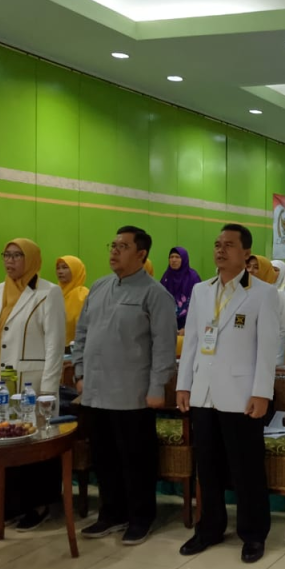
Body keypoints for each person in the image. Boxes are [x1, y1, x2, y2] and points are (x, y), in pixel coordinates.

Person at [177, 224, 279, 564]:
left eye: (229, 245)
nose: (221, 250)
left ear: (246, 253)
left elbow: (268, 349)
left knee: (246, 468)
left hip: (241, 394)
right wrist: (184, 386)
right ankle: (210, 527)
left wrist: (262, 392)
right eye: (217, 244)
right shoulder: (201, 291)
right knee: (207, 466)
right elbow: (191, 341)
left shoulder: (264, 293)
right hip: (204, 393)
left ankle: (253, 533)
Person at [73, 226, 177, 545]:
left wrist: (158, 386)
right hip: (95, 390)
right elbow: (82, 334)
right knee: (103, 457)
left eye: (123, 246)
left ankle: (140, 517)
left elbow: (164, 346)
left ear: (142, 254)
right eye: (113, 244)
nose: (114, 251)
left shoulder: (155, 294)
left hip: (133, 394)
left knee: (136, 459)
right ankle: (111, 514)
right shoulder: (99, 287)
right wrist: (79, 372)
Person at [0, 239, 66, 530]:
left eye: (17, 255)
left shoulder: (48, 292)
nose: (10, 261)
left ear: (31, 259)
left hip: (33, 384)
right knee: (3, 443)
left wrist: (49, 389)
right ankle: (7, 505)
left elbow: (55, 343)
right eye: (7, 255)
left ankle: (38, 505)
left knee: (33, 445)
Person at [160, 246, 201, 331]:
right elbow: (160, 301)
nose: (173, 260)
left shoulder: (193, 277)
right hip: (169, 326)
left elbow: (199, 303)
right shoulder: (166, 277)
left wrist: (187, 328)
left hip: (189, 325)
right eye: (171, 257)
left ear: (184, 259)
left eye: (177, 257)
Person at [56, 256, 89, 346]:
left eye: (65, 267)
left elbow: (84, 326)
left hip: (76, 348)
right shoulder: (56, 293)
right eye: (58, 268)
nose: (60, 271)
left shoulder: (82, 294)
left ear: (76, 270)